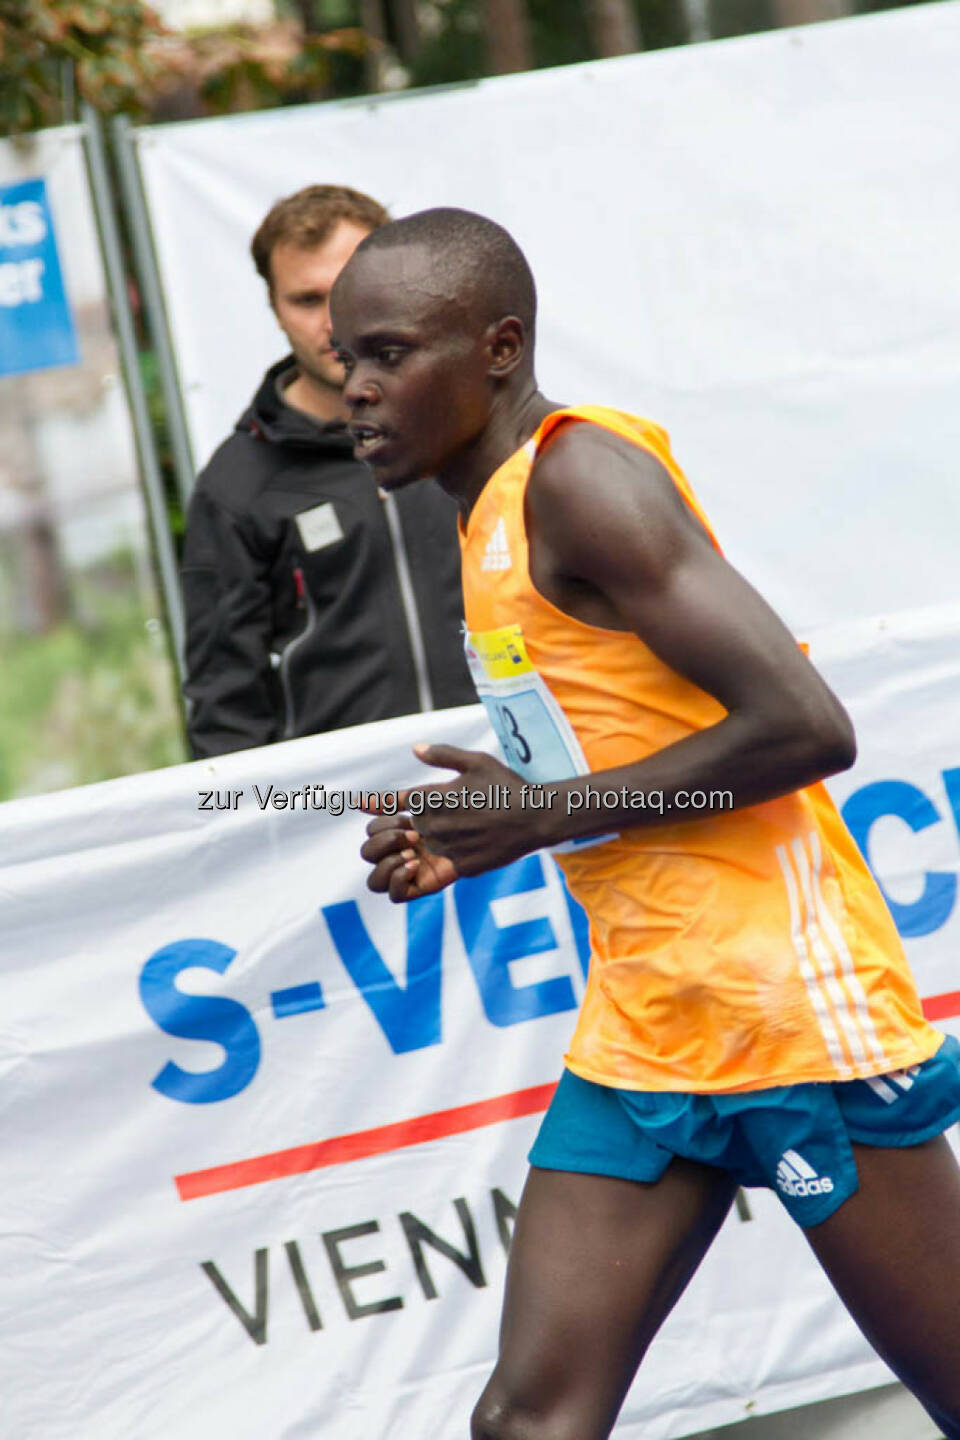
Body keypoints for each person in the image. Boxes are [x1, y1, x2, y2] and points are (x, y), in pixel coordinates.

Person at [329, 207, 960, 1440]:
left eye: (391, 354)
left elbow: (803, 725)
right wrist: (490, 824)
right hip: (651, 1019)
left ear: (498, 347)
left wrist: (540, 815)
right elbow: (610, 750)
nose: (356, 388)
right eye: (346, 357)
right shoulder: (492, 510)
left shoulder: (581, 478)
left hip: (785, 1013)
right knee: (529, 1421)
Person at [180, 185, 474, 758]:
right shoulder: (238, 484)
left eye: (350, 289)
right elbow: (225, 708)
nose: (334, 320)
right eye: (307, 300)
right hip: (345, 818)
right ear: (273, 308)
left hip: (509, 788)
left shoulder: (470, 428)